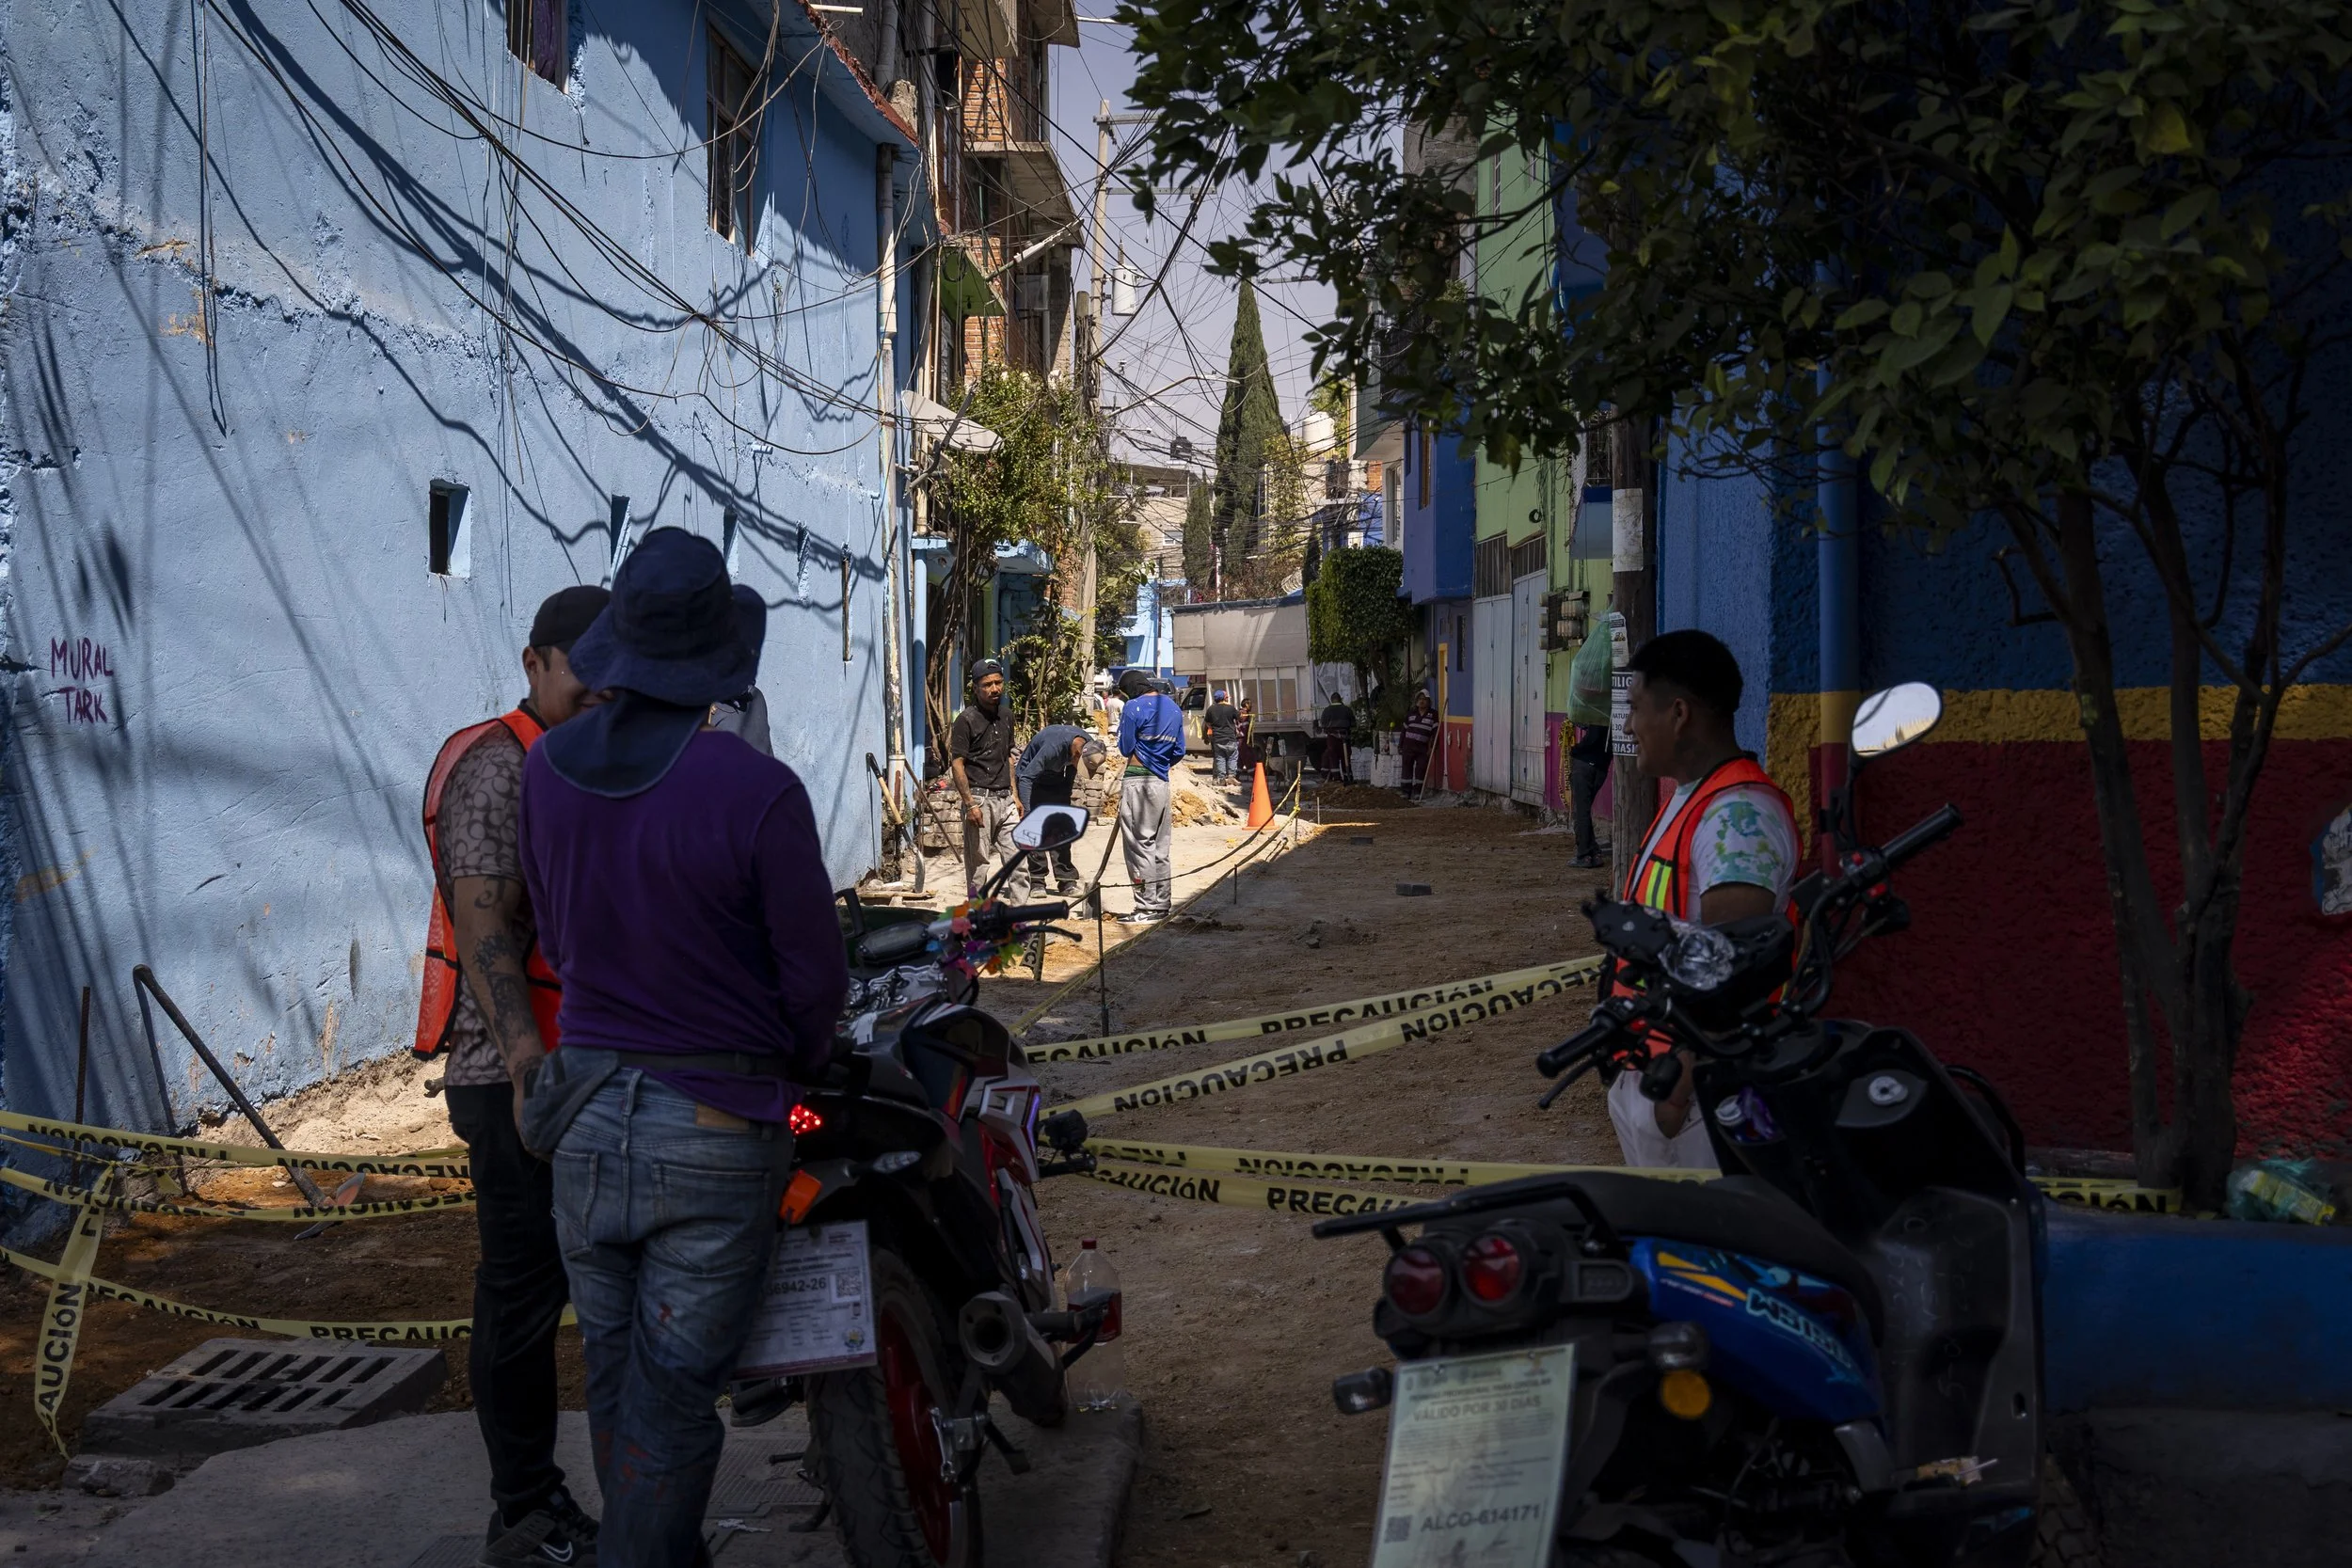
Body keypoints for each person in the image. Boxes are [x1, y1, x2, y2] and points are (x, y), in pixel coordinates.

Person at [517, 529, 848, 1568]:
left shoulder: (548, 770)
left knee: (618, 1379)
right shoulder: (754, 789)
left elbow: (559, 940)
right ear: (716, 657)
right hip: (712, 1127)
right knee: (668, 1402)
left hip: (584, 1118)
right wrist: (788, 1067)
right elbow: (815, 982)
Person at [415, 584, 609, 1568]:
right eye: (581, 670)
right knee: (524, 1295)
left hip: (584, 1060)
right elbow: (485, 920)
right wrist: (530, 1065)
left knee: (594, 1285)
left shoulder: (578, 756)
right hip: (516, 1075)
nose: (596, 690)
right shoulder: (499, 767)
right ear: (536, 662)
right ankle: (524, 1506)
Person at [1601, 629, 1800, 1172]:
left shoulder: (1738, 818)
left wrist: (1674, 1098)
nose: (1627, 725)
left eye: (1636, 708)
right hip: (1660, 1074)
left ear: (1679, 714)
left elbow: (1733, 976)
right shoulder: (1696, 799)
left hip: (1695, 1097)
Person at [1114, 668, 1185, 924]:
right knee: (1160, 846)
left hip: (1137, 780)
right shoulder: (1174, 708)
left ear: (1130, 690)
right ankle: (1162, 904)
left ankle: (1146, 908)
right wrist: (1160, 763)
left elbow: (1125, 747)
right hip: (1162, 783)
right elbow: (1179, 750)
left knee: (1139, 845)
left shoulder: (1133, 708)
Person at [948, 659, 1019, 896]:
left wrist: (1015, 796)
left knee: (1019, 864)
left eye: (998, 682)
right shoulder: (965, 720)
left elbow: (1008, 758)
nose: (994, 689)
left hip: (1006, 799)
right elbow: (957, 764)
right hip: (979, 800)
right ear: (976, 688)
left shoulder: (1007, 715)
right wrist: (970, 804)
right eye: (987, 684)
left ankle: (1024, 924)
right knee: (979, 868)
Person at [1015, 722, 1105, 894]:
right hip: (1032, 781)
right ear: (1077, 754)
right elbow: (1026, 777)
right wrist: (1026, 811)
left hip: (1056, 779)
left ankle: (1066, 880)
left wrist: (1065, 796)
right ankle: (1037, 881)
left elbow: (1071, 771)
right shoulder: (1052, 748)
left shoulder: (1090, 746)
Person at [1569, 720, 1610, 867]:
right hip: (1601, 767)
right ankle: (1594, 852)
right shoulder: (1616, 718)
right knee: (1584, 811)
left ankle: (1584, 854)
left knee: (1581, 813)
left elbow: (1593, 738)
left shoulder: (1600, 715)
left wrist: (1575, 750)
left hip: (1586, 765)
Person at [1399, 690, 1439, 800]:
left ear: (1428, 701)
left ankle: (1417, 792)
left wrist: (1432, 747)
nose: (1421, 701)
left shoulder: (1433, 714)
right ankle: (1406, 792)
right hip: (1408, 746)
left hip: (1422, 748)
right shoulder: (1411, 713)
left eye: (1424, 699)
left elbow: (1435, 732)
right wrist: (1400, 745)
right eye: (1419, 699)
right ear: (1416, 701)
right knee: (1407, 769)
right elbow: (1404, 731)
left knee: (1421, 769)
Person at [1202, 689, 1243, 784]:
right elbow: (1240, 717)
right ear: (1225, 698)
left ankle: (1221, 778)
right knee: (1232, 756)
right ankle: (1231, 776)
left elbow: (1207, 723)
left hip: (1218, 738)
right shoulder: (1230, 708)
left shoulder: (1211, 709)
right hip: (1230, 737)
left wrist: (1213, 728)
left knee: (1220, 758)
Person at [1319, 691, 1356, 783]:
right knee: (1345, 757)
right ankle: (1348, 777)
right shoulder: (1347, 710)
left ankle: (1336, 778)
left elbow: (1323, 724)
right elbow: (1353, 724)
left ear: (1331, 700)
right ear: (1340, 700)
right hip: (1345, 738)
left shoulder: (1327, 710)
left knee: (1333, 758)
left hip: (1332, 738)